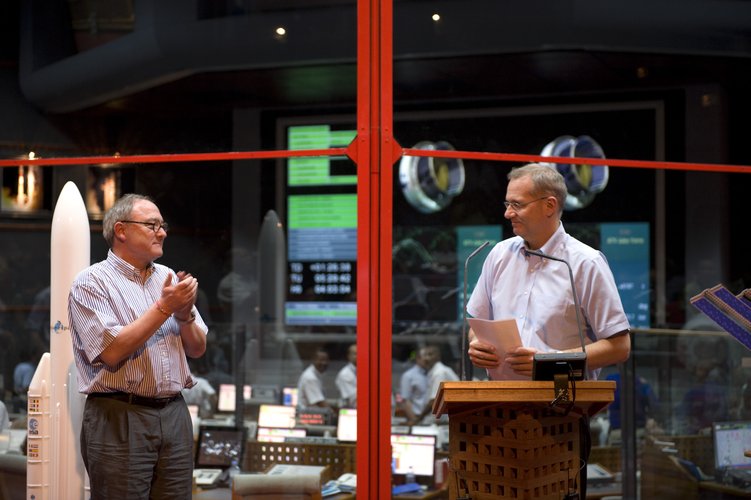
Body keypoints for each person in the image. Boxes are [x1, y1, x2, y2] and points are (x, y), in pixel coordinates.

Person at [68, 193, 208, 500]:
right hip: (120, 414)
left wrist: (184, 316)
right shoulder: (91, 283)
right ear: (121, 230)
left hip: (174, 413)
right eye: (152, 225)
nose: (163, 232)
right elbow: (112, 350)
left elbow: (198, 348)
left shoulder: (167, 278)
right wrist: (166, 307)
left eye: (163, 225)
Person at [466, 163, 631, 380]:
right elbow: (477, 326)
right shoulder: (499, 254)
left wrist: (550, 363)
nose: (508, 213)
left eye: (517, 204)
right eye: (507, 203)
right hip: (501, 401)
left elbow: (619, 347)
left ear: (549, 206)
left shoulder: (586, 263)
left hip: (562, 404)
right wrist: (477, 344)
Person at [416, 345, 459, 424]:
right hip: (443, 421)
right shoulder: (435, 371)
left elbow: (434, 401)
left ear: (438, 356)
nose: (427, 358)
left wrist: (418, 419)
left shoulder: (439, 372)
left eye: (430, 355)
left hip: (446, 422)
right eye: (425, 355)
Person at [398, 349, 429, 426]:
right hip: (417, 418)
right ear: (418, 358)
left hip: (431, 418)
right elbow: (405, 400)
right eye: (425, 356)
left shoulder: (431, 374)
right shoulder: (408, 376)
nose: (428, 359)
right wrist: (415, 420)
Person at [335, 344, 357, 408]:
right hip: (347, 411)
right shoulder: (344, 374)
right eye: (355, 354)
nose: (358, 356)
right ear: (349, 356)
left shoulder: (364, 371)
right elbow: (352, 398)